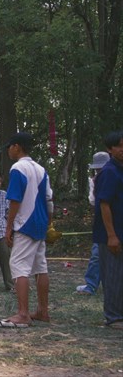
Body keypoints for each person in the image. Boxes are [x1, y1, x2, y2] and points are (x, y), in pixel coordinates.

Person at [0, 132, 53, 328]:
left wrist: (9, 226)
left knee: (19, 266)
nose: (9, 151)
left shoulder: (18, 168)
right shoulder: (41, 169)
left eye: (10, 147)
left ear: (17, 147)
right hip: (40, 223)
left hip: (25, 223)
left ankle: (23, 314)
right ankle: (43, 311)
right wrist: (48, 223)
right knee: (40, 267)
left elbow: (15, 199)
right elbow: (49, 200)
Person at [93, 130, 123, 330]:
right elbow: (104, 204)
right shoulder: (109, 171)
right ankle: (113, 317)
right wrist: (112, 235)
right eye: (119, 146)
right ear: (110, 149)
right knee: (113, 275)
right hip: (111, 235)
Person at [75, 151, 110, 295]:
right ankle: (91, 286)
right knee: (97, 254)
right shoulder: (94, 181)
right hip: (102, 222)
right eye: (98, 169)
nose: (99, 171)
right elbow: (93, 202)